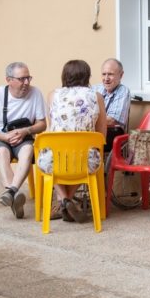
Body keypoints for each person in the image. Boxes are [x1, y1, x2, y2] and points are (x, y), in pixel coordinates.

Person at [0, 62, 48, 219]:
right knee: (2, 152)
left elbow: (42, 124)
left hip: (24, 137)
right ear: (9, 80)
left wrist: (26, 131)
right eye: (22, 79)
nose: (27, 83)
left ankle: (11, 191)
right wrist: (3, 136)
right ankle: (14, 196)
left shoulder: (35, 93)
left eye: (28, 78)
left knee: (28, 149)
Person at [40, 59, 106, 223]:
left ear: (64, 76)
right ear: (87, 76)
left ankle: (63, 198)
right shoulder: (97, 97)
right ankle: (68, 200)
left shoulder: (52, 95)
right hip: (84, 162)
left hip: (56, 161)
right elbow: (101, 135)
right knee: (88, 159)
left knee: (48, 160)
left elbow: (52, 127)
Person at [92, 58, 131, 149]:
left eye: (110, 74)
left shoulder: (123, 91)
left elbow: (112, 120)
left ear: (121, 75)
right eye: (104, 74)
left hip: (112, 134)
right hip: (93, 132)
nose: (106, 78)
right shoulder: (94, 89)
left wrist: (87, 121)